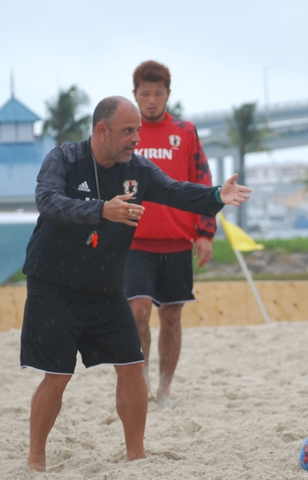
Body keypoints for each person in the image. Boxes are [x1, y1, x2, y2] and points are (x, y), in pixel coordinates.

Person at [20, 96, 250, 472]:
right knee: (58, 375)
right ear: (101, 130)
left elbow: (175, 190)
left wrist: (215, 197)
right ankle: (35, 460)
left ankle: (136, 457)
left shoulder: (138, 169)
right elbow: (47, 201)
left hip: (106, 287)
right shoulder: (64, 159)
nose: (136, 139)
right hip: (54, 285)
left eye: (139, 131)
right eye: (128, 131)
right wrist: (100, 209)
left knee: (131, 364)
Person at [125, 60, 215, 408]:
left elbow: (202, 181)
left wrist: (205, 232)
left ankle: (165, 389)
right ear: (134, 94)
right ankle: (142, 378)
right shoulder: (126, 132)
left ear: (168, 95)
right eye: (144, 94)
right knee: (138, 312)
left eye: (157, 94)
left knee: (172, 317)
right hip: (135, 241)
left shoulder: (185, 131)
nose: (151, 100)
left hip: (178, 240)